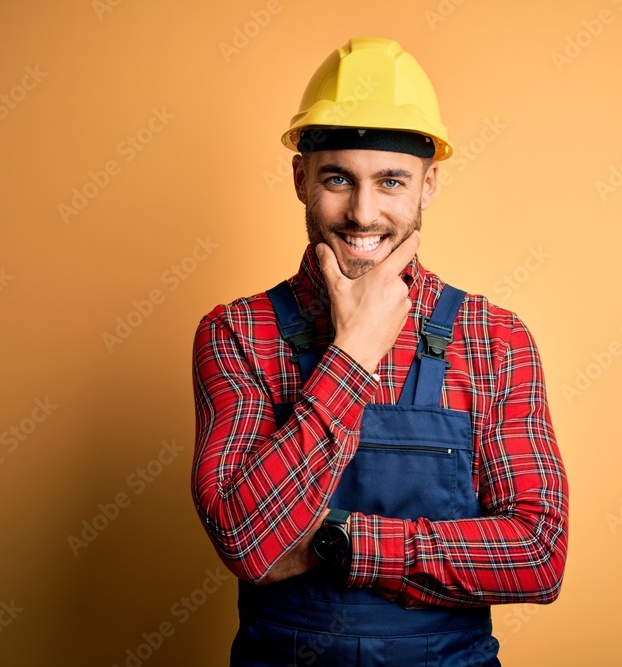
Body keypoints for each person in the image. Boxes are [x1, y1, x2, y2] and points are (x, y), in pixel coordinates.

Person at [191, 37, 568, 666]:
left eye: (390, 181)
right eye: (338, 178)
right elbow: (246, 537)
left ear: (428, 185)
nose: (363, 213)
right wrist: (356, 351)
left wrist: (336, 541)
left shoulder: (494, 338)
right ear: (300, 179)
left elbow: (537, 555)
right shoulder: (239, 332)